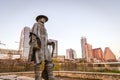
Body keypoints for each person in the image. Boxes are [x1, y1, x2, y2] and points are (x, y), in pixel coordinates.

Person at [28, 15, 57, 80]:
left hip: (45, 48)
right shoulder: (36, 25)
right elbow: (33, 34)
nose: (44, 19)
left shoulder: (45, 29)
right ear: (39, 19)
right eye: (42, 18)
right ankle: (37, 77)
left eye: (45, 19)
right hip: (39, 46)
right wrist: (35, 44)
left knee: (49, 61)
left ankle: (50, 76)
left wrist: (50, 42)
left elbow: (45, 39)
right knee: (37, 62)